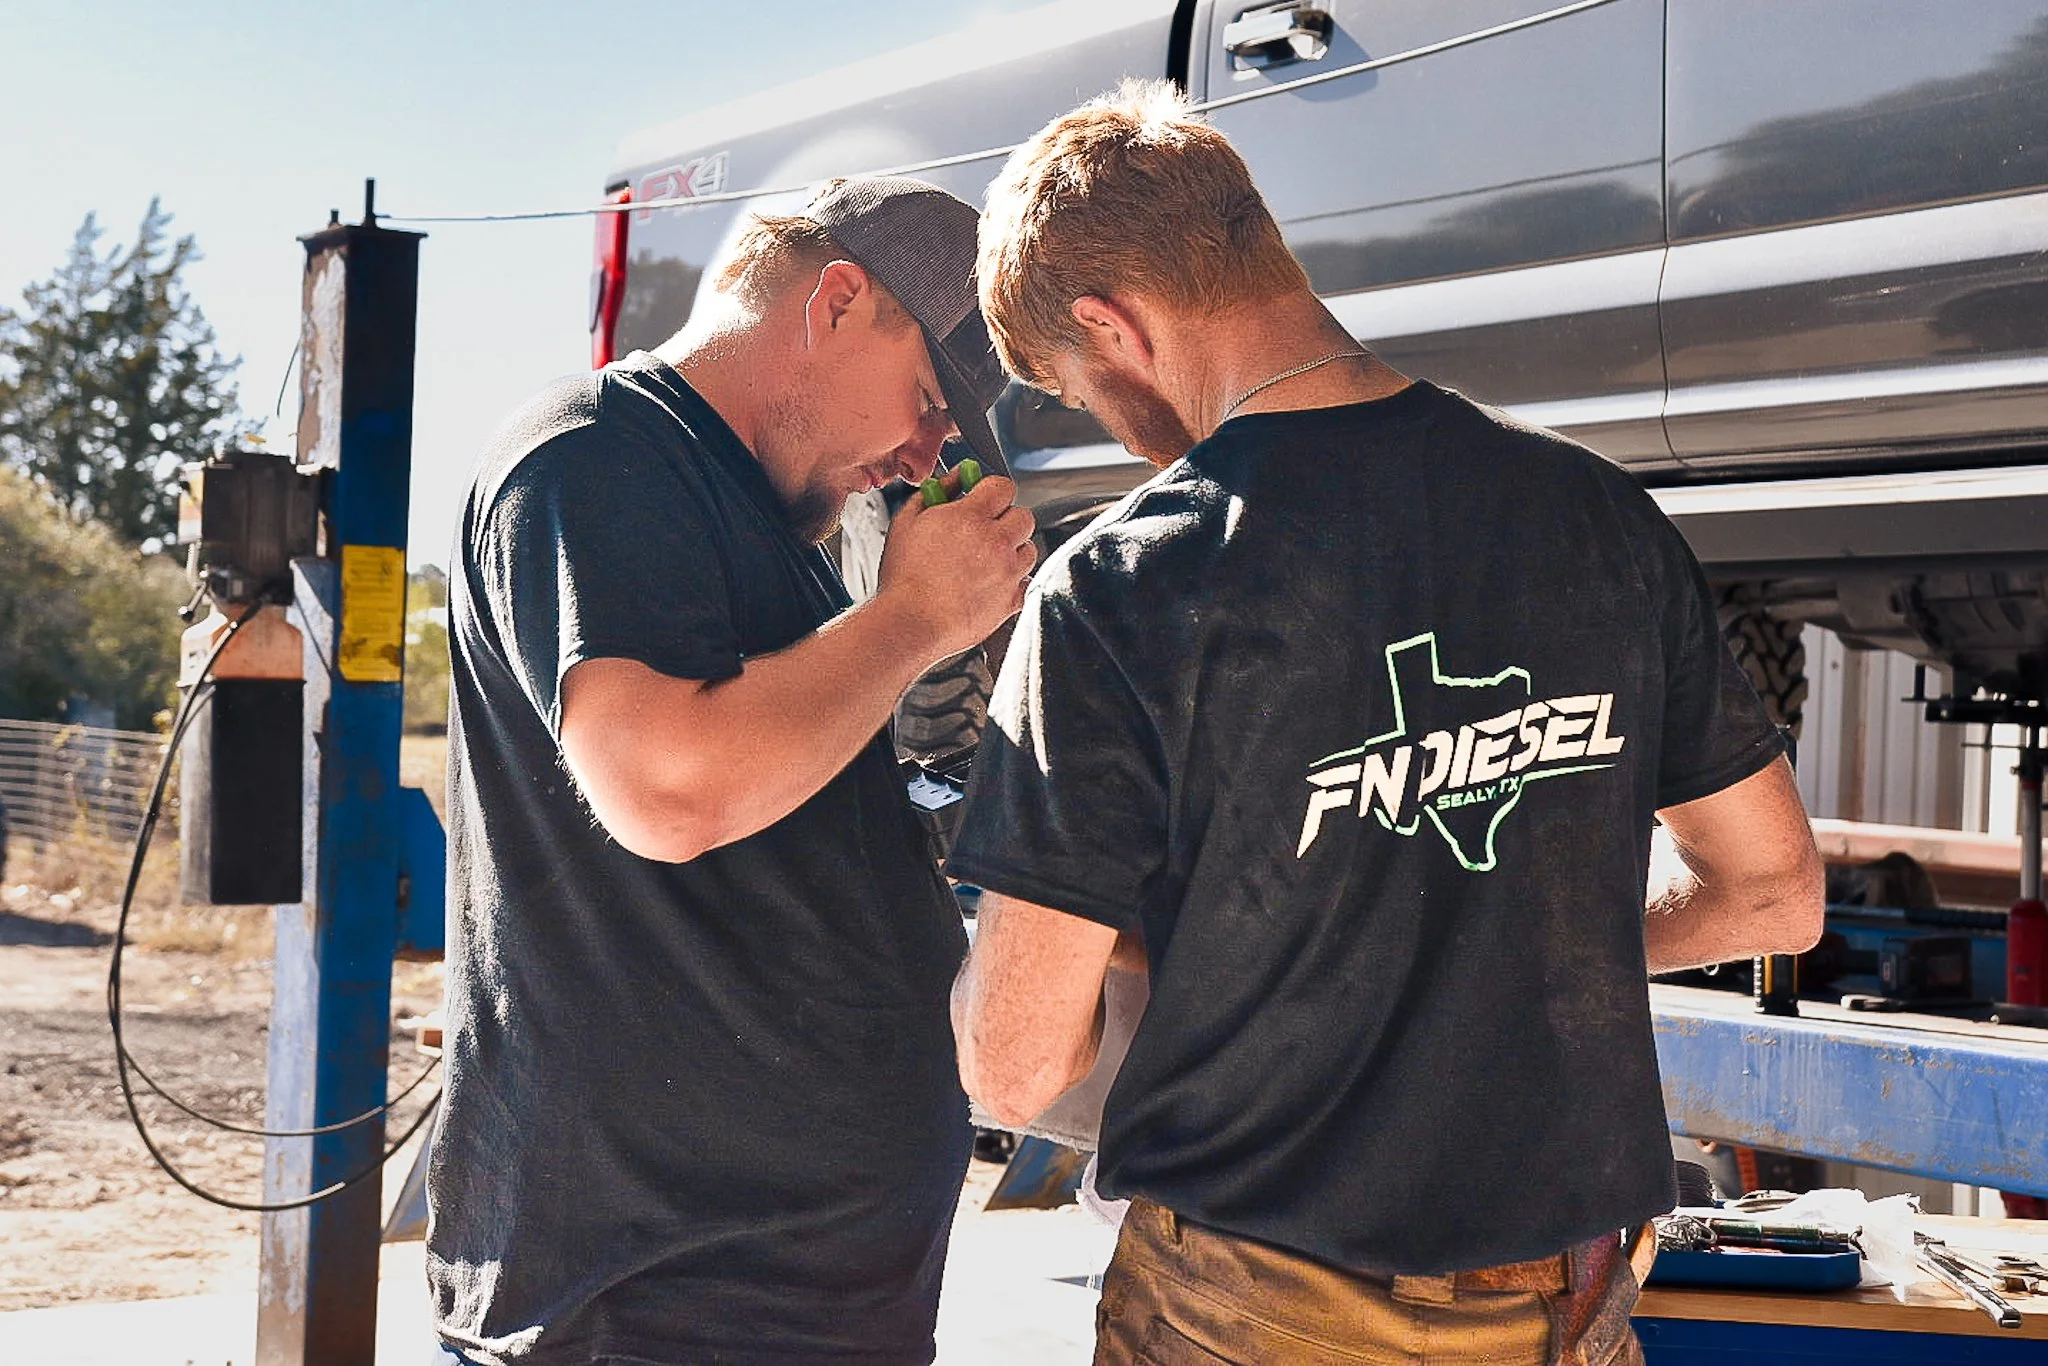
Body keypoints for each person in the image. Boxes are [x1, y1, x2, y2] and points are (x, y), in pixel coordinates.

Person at [947, 82, 1825, 1366]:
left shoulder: (1122, 587)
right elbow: (1775, 897)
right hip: (1567, 1302)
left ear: (1108, 323)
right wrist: (1505, 959)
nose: (1109, 428)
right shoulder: (1599, 518)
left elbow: (1014, 1070)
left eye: (1078, 390)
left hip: (1253, 1310)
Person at [428, 176, 1037, 1365]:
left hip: (789, 1298)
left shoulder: (778, 541)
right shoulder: (593, 453)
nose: (926, 449)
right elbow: (668, 789)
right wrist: (911, 618)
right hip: (651, 1300)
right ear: (839, 300)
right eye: (925, 397)